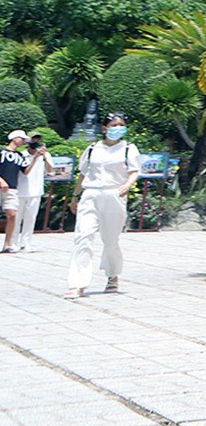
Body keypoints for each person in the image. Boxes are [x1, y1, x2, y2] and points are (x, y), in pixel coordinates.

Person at [66, 113, 142, 298]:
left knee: (110, 240)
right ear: (105, 128)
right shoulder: (92, 148)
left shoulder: (128, 148)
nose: (118, 127)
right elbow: (83, 174)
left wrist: (127, 184)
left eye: (121, 124)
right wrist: (75, 197)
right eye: (114, 124)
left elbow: (134, 171)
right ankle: (77, 283)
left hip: (114, 194)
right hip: (91, 193)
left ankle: (112, 275)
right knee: (83, 237)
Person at [9, 137, 50, 252]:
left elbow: (50, 170)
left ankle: (26, 243)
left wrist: (44, 157)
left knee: (30, 219)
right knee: (16, 219)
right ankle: (13, 242)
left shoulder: (45, 155)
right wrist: (34, 158)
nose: (35, 144)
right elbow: (25, 172)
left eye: (37, 141)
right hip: (20, 191)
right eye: (33, 141)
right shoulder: (20, 155)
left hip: (36, 192)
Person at [0, 130, 29, 252]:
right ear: (14, 138)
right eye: (22, 139)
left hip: (11, 188)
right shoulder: (1, 152)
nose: (23, 142)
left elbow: (26, 171)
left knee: (12, 214)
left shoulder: (20, 156)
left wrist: (37, 157)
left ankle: (7, 244)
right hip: (3, 184)